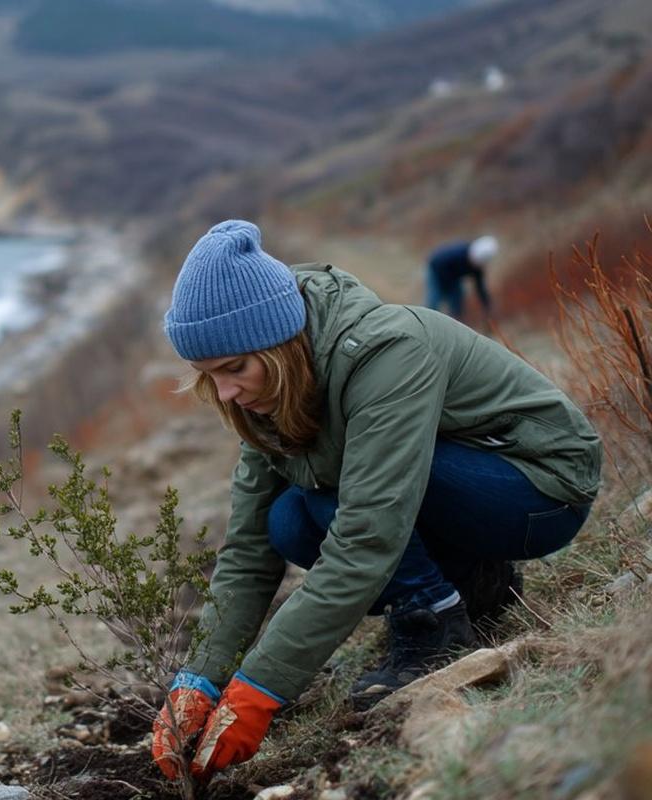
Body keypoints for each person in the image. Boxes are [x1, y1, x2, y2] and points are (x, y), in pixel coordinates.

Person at [149, 221, 599, 782]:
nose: (225, 394)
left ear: (280, 343)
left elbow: (366, 535)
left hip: (538, 488)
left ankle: (432, 619)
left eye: (235, 369)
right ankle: (475, 581)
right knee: (286, 520)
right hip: (453, 487)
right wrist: (199, 680)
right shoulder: (265, 395)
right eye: (206, 376)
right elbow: (245, 552)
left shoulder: (386, 351)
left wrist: (260, 690)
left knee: (333, 499)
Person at [425, 235, 497, 321]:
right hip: (436, 270)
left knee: (458, 298)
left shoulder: (477, 268)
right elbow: (439, 265)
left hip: (453, 278)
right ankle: (427, 320)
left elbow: (480, 287)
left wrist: (487, 304)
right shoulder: (457, 253)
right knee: (435, 297)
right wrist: (446, 289)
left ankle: (453, 322)